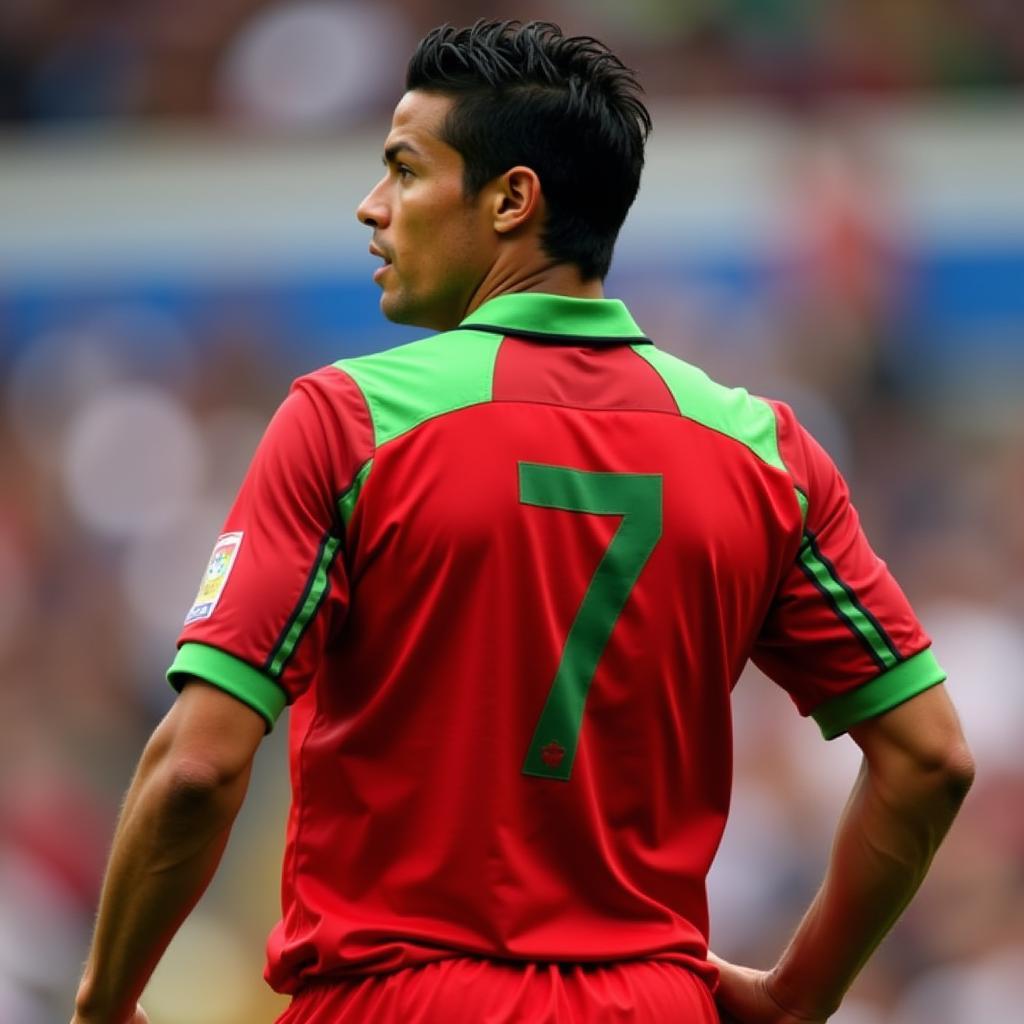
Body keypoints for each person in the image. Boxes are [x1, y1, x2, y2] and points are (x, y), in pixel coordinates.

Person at [71, 19, 974, 1024]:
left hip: (398, 1001)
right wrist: (799, 996)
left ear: (511, 200)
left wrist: (105, 1001)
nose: (372, 209)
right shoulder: (764, 451)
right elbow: (929, 758)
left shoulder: (349, 420)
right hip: (654, 1004)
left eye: (405, 172)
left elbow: (197, 764)